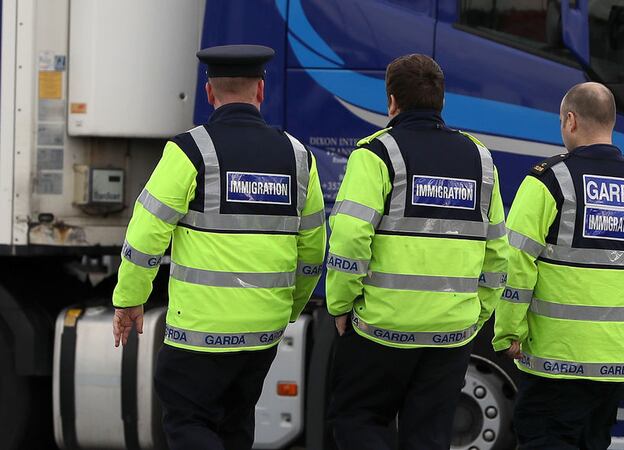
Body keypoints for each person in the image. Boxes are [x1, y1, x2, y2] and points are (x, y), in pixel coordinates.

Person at [111, 44, 326, 450]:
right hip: (262, 332)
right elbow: (313, 252)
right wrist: (286, 311)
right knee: (236, 426)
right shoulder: (299, 158)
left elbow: (145, 235)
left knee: (189, 422)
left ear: (209, 93)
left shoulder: (190, 151)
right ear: (261, 91)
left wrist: (129, 299)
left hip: (199, 334)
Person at [493, 82, 624, 450]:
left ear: (570, 120)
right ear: (611, 122)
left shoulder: (550, 181)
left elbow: (517, 262)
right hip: (614, 361)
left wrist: (508, 330)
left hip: (554, 358)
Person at [325, 54, 509, 450]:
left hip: (380, 330)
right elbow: (498, 253)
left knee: (358, 420)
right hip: (449, 334)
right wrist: (476, 315)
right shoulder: (481, 160)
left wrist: (340, 305)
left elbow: (349, 239)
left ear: (392, 101)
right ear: (441, 100)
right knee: (429, 438)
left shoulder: (376, 155)